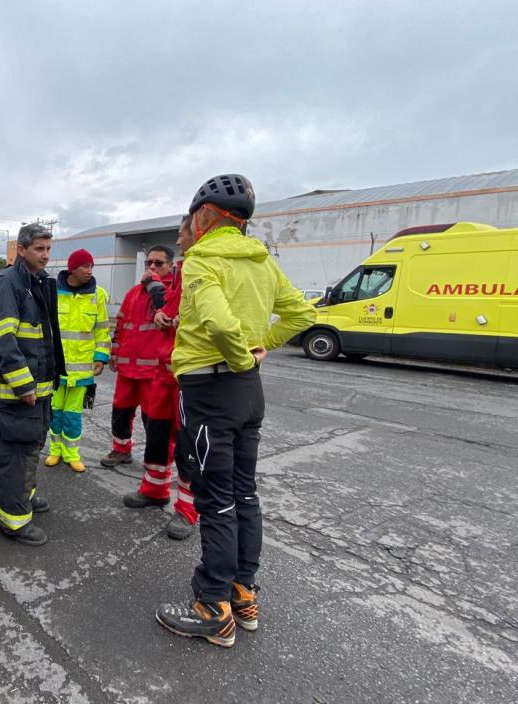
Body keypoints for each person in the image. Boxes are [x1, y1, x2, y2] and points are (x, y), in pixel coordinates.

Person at [156, 175, 316, 648]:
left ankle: (212, 606)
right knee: (244, 494)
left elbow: (217, 321)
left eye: (194, 217)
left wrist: (242, 354)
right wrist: (261, 347)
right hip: (249, 392)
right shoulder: (263, 261)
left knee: (216, 499)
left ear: (205, 216)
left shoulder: (203, 258)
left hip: (211, 390)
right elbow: (302, 315)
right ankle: (245, 592)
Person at [0, 223, 66, 546]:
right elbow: (2, 341)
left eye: (48, 249)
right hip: (19, 394)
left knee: (31, 449)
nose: (45, 255)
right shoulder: (8, 284)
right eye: (39, 249)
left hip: (39, 391)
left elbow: (45, 338)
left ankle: (24, 499)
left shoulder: (38, 282)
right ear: (21, 250)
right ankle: (13, 521)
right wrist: (23, 385)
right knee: (15, 456)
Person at [121, 221, 199, 540]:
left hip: (188, 372)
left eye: (182, 233)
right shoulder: (184, 270)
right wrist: (160, 314)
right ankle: (154, 490)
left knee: (187, 444)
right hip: (163, 371)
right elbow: (170, 307)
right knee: (156, 434)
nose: (179, 238)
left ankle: (188, 509)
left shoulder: (199, 269)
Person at [101, 245, 173, 468]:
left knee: (154, 419)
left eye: (158, 263)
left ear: (170, 265)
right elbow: (121, 324)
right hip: (126, 369)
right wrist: (115, 351)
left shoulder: (171, 292)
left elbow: (170, 319)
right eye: (148, 262)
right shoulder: (133, 292)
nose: (152, 266)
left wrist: (154, 286)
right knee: (121, 411)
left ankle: (154, 462)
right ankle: (121, 450)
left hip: (154, 371)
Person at [46, 249, 110, 473]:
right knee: (55, 410)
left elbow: (102, 329)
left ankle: (72, 453)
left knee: (73, 414)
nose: (89, 271)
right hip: (55, 368)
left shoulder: (98, 295)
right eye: (85, 266)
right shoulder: (52, 291)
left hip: (82, 369)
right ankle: (55, 450)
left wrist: (101, 357)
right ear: (72, 268)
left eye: (92, 266)